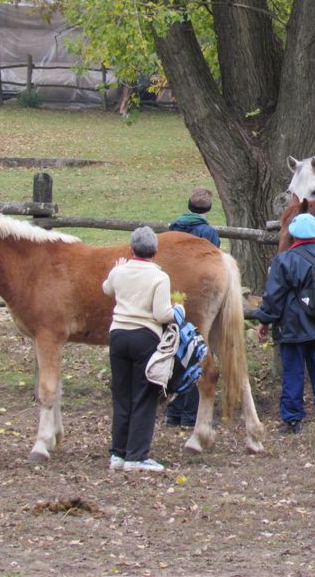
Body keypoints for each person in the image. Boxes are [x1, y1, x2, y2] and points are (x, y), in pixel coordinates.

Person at [255, 213, 315, 435]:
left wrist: (265, 320)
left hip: (293, 326)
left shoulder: (284, 260)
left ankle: (293, 420)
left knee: (293, 373)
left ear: (293, 234)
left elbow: (274, 296)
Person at [102, 226, 175, 472]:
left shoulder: (119, 272)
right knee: (144, 395)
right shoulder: (159, 277)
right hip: (145, 337)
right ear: (155, 251)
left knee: (121, 394)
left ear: (131, 249)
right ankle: (137, 455)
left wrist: (116, 268)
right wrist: (177, 311)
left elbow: (107, 289)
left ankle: (118, 454)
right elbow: (162, 314)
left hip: (119, 335)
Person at [164, 187, 219, 428]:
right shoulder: (207, 232)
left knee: (176, 351)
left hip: (172, 295)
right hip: (196, 296)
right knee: (196, 351)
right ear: (208, 209)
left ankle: (173, 413)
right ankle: (189, 415)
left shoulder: (173, 228)